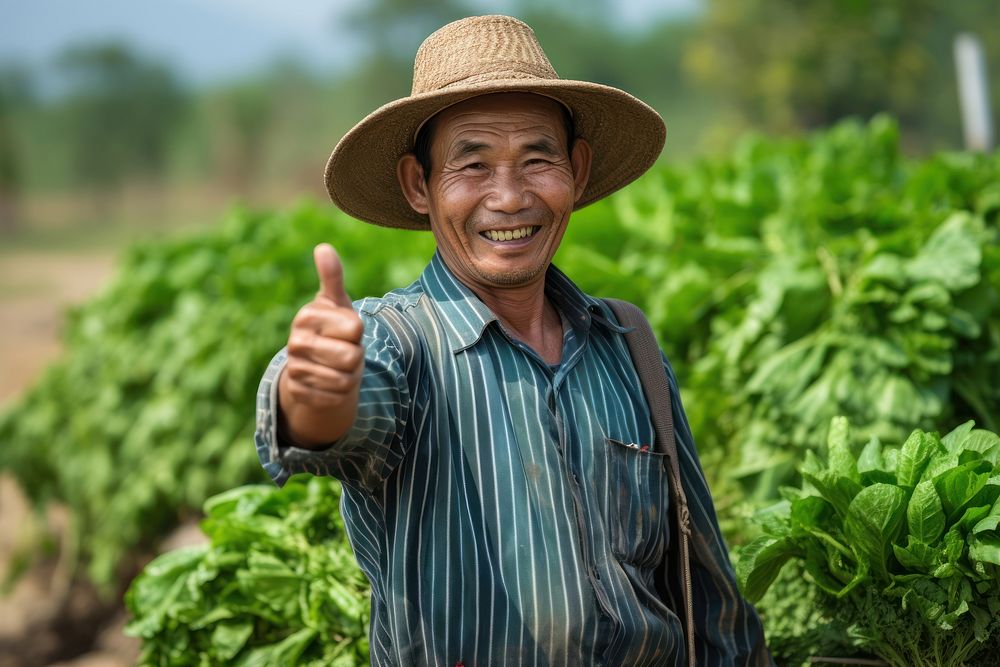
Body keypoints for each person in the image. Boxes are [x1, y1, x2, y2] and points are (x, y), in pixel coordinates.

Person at [254, 14, 771, 666]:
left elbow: (708, 592)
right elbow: (333, 413)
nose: (509, 196)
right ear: (420, 185)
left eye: (537, 159)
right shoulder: (400, 346)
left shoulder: (628, 346)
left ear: (576, 172)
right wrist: (317, 389)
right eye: (471, 163)